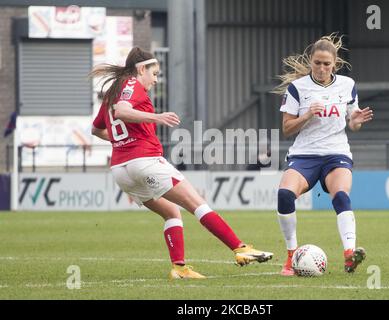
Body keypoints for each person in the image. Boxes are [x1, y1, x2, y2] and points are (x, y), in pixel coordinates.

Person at [90, 47, 273, 279]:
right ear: (141, 69)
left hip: (121, 170)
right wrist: (157, 117)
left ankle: (179, 268)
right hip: (145, 160)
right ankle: (240, 248)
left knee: (172, 212)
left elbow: (96, 129)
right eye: (154, 74)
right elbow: (123, 112)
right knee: (197, 203)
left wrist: (121, 141)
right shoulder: (131, 86)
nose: (155, 80)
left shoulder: (112, 92)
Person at [273, 34, 373, 276]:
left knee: (340, 195)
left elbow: (352, 123)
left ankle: (349, 255)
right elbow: (286, 129)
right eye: (317, 62)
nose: (321, 68)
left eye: (326, 64)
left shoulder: (347, 85)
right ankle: (290, 256)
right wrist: (307, 115)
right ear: (311, 61)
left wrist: (355, 121)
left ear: (334, 64)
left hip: (336, 152)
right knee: (285, 195)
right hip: (304, 155)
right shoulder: (297, 88)